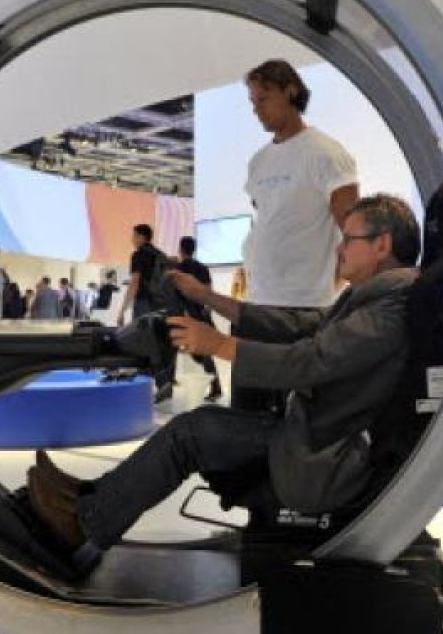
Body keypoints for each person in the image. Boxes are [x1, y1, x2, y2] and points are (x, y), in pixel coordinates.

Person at [26, 194, 420, 566]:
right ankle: (88, 498)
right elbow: (302, 325)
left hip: (321, 456)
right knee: (196, 427)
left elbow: (309, 360)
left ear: (381, 245)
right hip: (311, 434)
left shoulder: (391, 309)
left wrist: (218, 344)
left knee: (192, 432)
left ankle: (84, 524)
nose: (339, 250)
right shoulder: (373, 300)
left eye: (348, 240)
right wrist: (207, 297)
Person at [235, 58, 360, 413]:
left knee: (300, 417)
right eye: (253, 102)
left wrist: (349, 288)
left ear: (290, 91)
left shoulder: (326, 155)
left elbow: (350, 227)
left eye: (264, 99)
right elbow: (268, 222)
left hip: (304, 308)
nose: (257, 110)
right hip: (258, 304)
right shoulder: (258, 161)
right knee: (248, 415)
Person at [117, 224, 173, 402]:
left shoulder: (139, 255)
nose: (132, 239)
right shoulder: (160, 254)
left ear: (142, 237)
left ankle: (160, 382)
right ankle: (152, 385)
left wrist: (122, 308)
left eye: (134, 236)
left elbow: (135, 282)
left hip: (144, 304)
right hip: (161, 305)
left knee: (142, 342)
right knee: (157, 342)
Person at [175, 236, 223, 401]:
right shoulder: (202, 268)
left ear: (181, 249)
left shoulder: (177, 269)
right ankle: (215, 385)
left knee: (199, 352)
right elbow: (209, 292)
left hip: (187, 314)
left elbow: (176, 294)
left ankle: (215, 386)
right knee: (203, 351)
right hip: (201, 312)